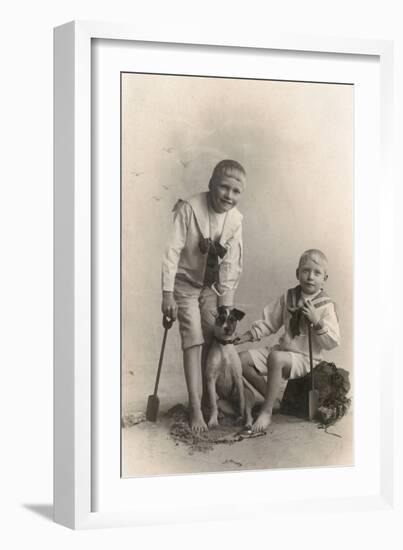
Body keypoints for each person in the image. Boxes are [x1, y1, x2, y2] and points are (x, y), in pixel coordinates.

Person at [161, 160, 246, 432]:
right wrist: (167, 295)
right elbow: (172, 251)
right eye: (224, 187)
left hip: (210, 287)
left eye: (236, 191)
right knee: (194, 339)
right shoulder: (189, 208)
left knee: (214, 336)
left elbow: (231, 264)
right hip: (184, 285)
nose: (228, 196)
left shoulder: (235, 220)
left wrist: (226, 311)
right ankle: (195, 407)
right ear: (211, 183)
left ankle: (214, 401)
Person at [236, 249, 340, 432]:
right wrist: (248, 336)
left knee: (275, 358)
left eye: (317, 273)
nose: (310, 277)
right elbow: (269, 322)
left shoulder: (325, 305)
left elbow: (332, 342)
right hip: (283, 350)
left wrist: (317, 321)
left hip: (307, 358)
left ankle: (266, 411)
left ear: (325, 278)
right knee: (240, 360)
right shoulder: (289, 297)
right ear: (297, 273)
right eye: (306, 270)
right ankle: (274, 399)